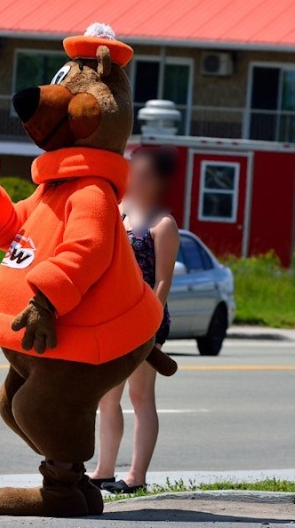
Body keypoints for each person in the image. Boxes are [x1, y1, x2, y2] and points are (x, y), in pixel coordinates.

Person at [89, 146, 181, 494]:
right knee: (107, 398)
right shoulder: (118, 213)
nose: (133, 179)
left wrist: (146, 324)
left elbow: (163, 282)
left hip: (147, 322)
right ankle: (103, 470)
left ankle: (136, 476)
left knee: (141, 397)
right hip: (113, 319)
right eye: (132, 172)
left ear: (157, 182)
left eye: (142, 175)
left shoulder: (163, 224)